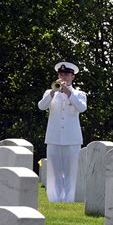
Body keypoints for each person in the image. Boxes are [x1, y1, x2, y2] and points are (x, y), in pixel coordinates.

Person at [38, 62, 87, 202]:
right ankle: (55, 199)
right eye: (60, 74)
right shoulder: (50, 92)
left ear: (72, 77)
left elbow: (81, 108)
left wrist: (68, 92)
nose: (62, 76)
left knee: (71, 171)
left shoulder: (79, 94)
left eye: (65, 74)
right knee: (54, 172)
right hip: (53, 137)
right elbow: (41, 106)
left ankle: (69, 199)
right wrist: (53, 92)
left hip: (72, 138)